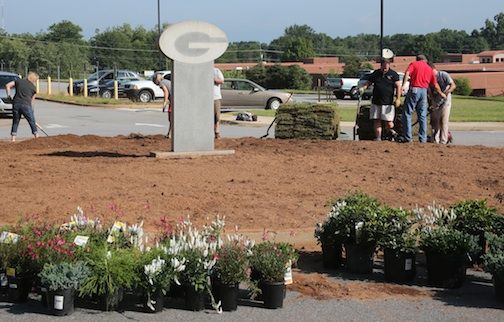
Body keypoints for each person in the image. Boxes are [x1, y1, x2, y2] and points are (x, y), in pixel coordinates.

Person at [401, 55, 446, 143]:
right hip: (424, 91)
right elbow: (435, 84)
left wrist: (403, 85)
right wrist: (441, 93)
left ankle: (408, 138)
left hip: (414, 88)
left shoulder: (414, 64)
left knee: (407, 113)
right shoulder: (429, 68)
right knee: (422, 115)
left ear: (417, 59)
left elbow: (407, 73)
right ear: (425, 60)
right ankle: (422, 138)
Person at [358, 58, 401, 141]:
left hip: (388, 102)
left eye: (387, 66)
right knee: (376, 120)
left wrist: (398, 98)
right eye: (384, 66)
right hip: (376, 101)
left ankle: (392, 132)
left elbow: (398, 86)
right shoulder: (376, 73)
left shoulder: (393, 74)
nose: (385, 68)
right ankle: (378, 137)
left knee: (388, 122)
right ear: (381, 65)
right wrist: (363, 88)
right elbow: (368, 82)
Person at [5, 72, 39, 142]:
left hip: (16, 104)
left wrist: (8, 96)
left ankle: (13, 138)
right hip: (26, 105)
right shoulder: (34, 88)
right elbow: (32, 102)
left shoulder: (19, 81)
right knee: (32, 121)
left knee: (15, 121)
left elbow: (7, 85)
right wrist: (31, 113)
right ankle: (36, 136)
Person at [428, 63, 456, 144]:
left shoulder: (443, 75)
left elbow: (453, 85)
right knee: (435, 122)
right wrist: (431, 102)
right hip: (435, 102)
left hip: (445, 102)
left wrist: (446, 93)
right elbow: (430, 92)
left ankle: (443, 140)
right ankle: (435, 140)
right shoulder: (429, 78)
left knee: (444, 121)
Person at [153, 73, 172, 138]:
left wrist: (165, 102)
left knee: (171, 118)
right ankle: (169, 134)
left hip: (174, 101)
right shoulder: (166, 81)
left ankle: (170, 134)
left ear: (157, 80)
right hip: (174, 100)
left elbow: (166, 91)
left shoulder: (162, 83)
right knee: (172, 118)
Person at [213, 67, 224, 139]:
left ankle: (217, 132)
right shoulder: (202, 70)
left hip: (216, 97)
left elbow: (222, 81)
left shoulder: (216, 71)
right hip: (205, 97)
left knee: (217, 116)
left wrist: (214, 80)